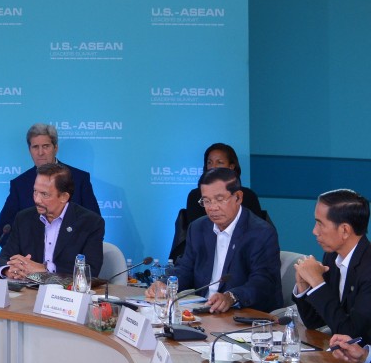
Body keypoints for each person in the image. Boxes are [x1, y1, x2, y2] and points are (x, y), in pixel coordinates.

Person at [147, 167, 282, 313]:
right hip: (203, 310)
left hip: (244, 314)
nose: (212, 208)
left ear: (238, 197)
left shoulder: (261, 232)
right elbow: (185, 269)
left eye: (219, 199)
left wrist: (231, 297)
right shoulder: (198, 228)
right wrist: (165, 284)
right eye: (206, 201)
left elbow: (263, 282)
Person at [0, 162, 104, 278]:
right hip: (29, 288)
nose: (37, 200)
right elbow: (1, 259)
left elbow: (91, 270)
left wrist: (45, 269)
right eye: (35, 192)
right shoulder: (24, 218)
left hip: (66, 289)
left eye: (44, 194)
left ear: (64, 197)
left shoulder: (90, 223)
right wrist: (8, 270)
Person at [0, 123, 100, 243]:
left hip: (72, 252)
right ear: (29, 150)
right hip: (31, 253)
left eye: (45, 146)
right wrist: (21, 252)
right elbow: (3, 231)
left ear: (56, 148)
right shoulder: (19, 185)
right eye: (35, 147)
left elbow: (95, 223)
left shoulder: (79, 179)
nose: (40, 152)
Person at [293, 189, 371, 342]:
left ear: (345, 230)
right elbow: (314, 321)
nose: (314, 231)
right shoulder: (332, 256)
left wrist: (317, 283)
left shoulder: (368, 269)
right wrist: (304, 286)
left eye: (320, 224)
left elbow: (352, 336)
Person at [170, 142, 268, 261]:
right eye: (209, 162)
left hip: (242, 254)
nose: (213, 167)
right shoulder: (196, 195)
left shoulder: (248, 196)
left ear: (231, 167)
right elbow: (198, 233)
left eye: (219, 162)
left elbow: (256, 232)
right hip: (205, 254)